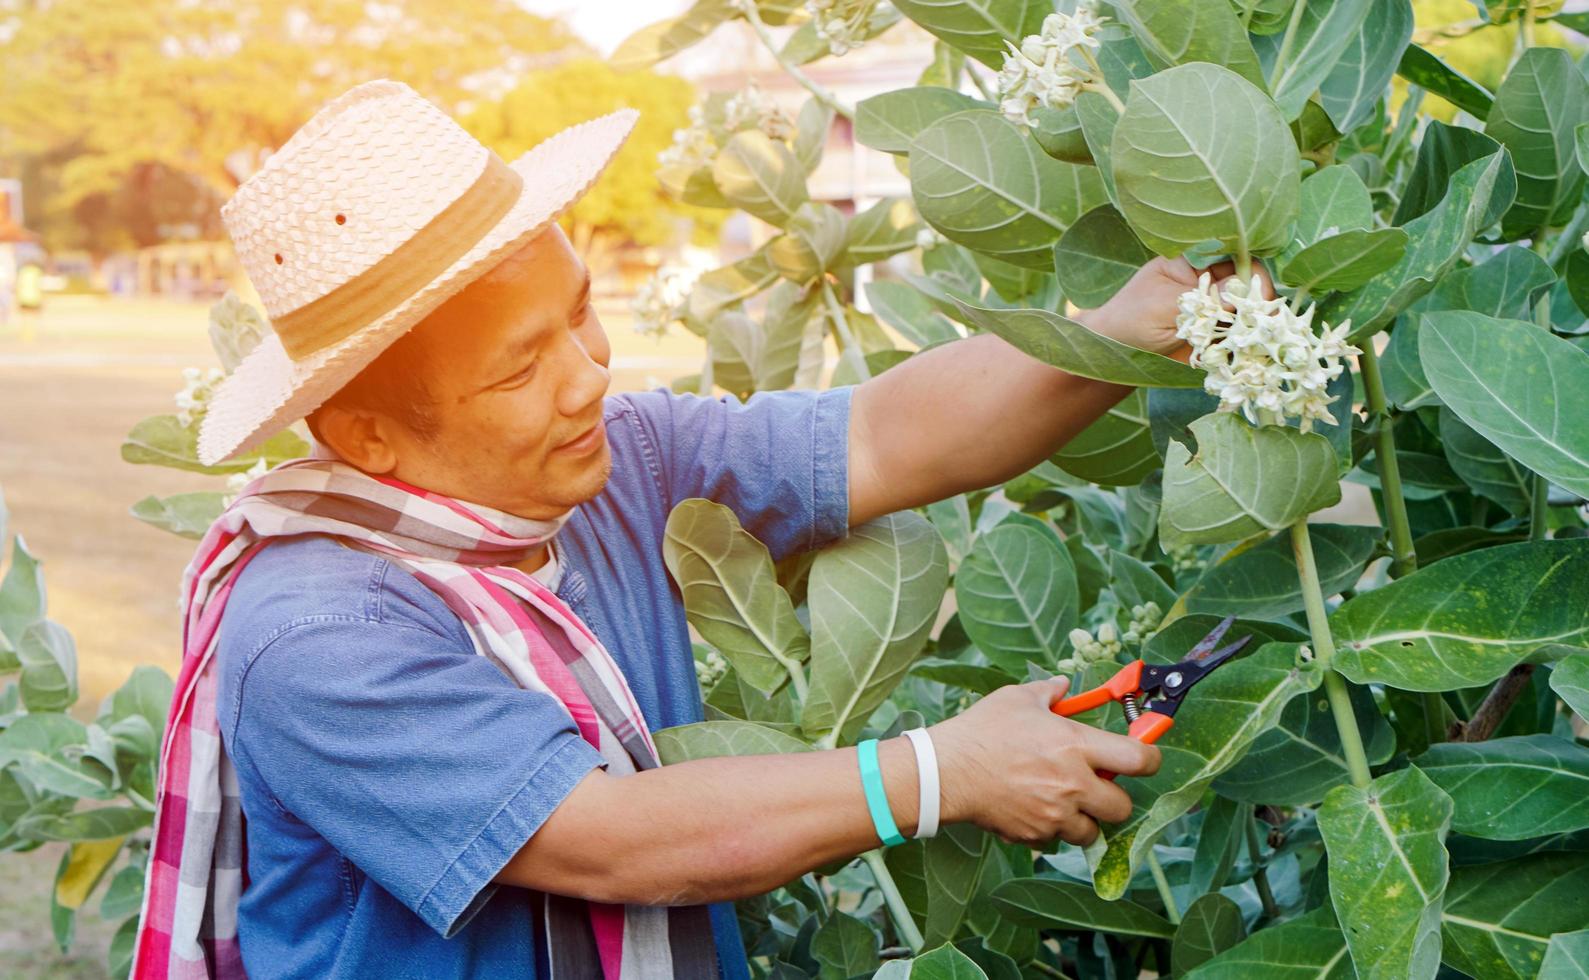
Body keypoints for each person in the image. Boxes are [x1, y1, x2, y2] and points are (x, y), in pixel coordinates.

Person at [131, 80, 1240, 979]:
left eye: (576, 311)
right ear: (365, 432)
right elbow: (610, 840)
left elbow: (885, 437)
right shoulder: (316, 628)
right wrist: (941, 770)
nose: (589, 375)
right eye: (523, 363)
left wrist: (1127, 329)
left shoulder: (616, 460)